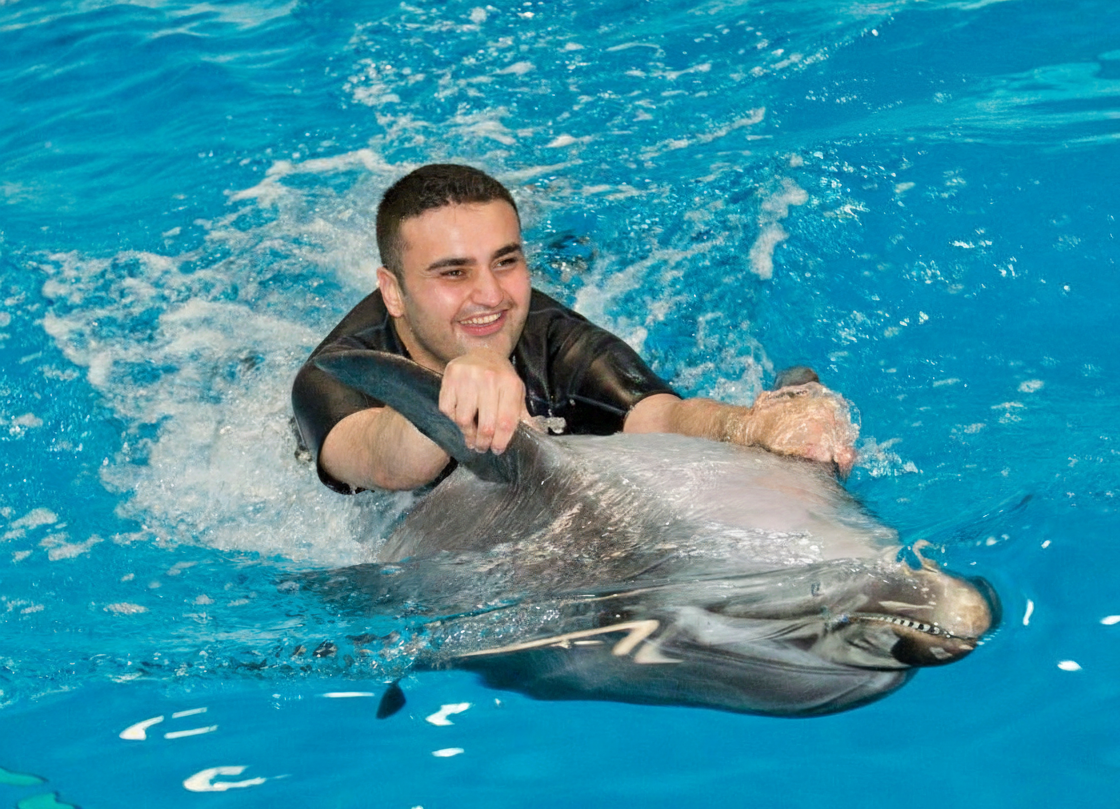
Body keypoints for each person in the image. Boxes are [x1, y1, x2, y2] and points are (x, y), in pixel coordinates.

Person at [292, 164, 857, 494]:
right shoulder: (337, 373)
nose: (490, 296)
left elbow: (659, 415)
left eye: (506, 261)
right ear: (393, 290)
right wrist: (467, 381)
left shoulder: (551, 337)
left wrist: (755, 427)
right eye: (453, 272)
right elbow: (383, 462)